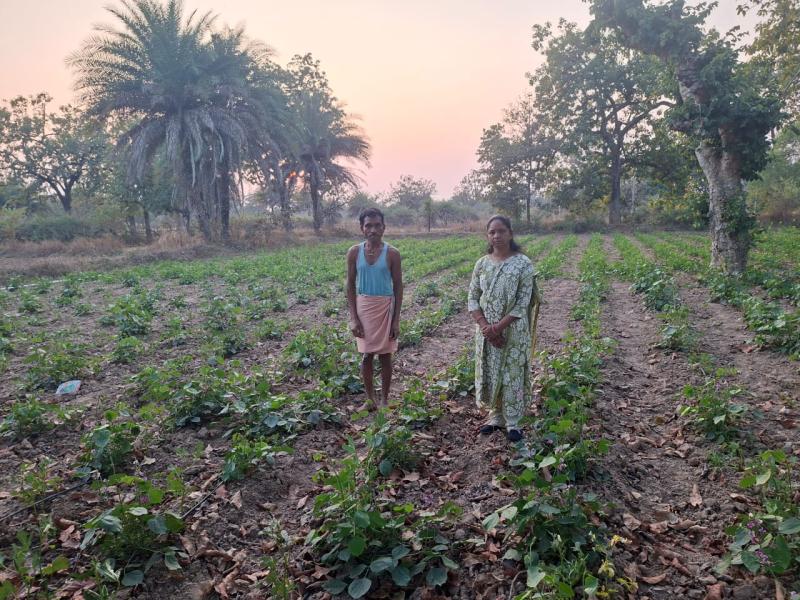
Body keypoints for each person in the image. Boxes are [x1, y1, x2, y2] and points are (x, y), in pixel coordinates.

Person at [467, 215, 540, 442]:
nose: (496, 236)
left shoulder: (523, 264)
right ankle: (495, 417)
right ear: (487, 236)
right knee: (491, 370)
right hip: (486, 333)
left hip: (513, 332)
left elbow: (522, 303)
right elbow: (472, 298)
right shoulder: (482, 264)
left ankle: (513, 422)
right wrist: (486, 328)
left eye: (501, 231)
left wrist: (498, 328)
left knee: (512, 373)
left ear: (510, 233)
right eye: (492, 232)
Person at [346, 207, 403, 410]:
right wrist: (353, 318)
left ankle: (385, 400)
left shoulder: (392, 254)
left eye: (377, 225)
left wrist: (396, 320)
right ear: (362, 228)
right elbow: (350, 285)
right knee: (367, 355)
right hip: (364, 308)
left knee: (386, 356)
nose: (373, 230)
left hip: (385, 308)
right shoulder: (354, 252)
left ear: (384, 227)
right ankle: (370, 400)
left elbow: (398, 287)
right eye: (368, 225)